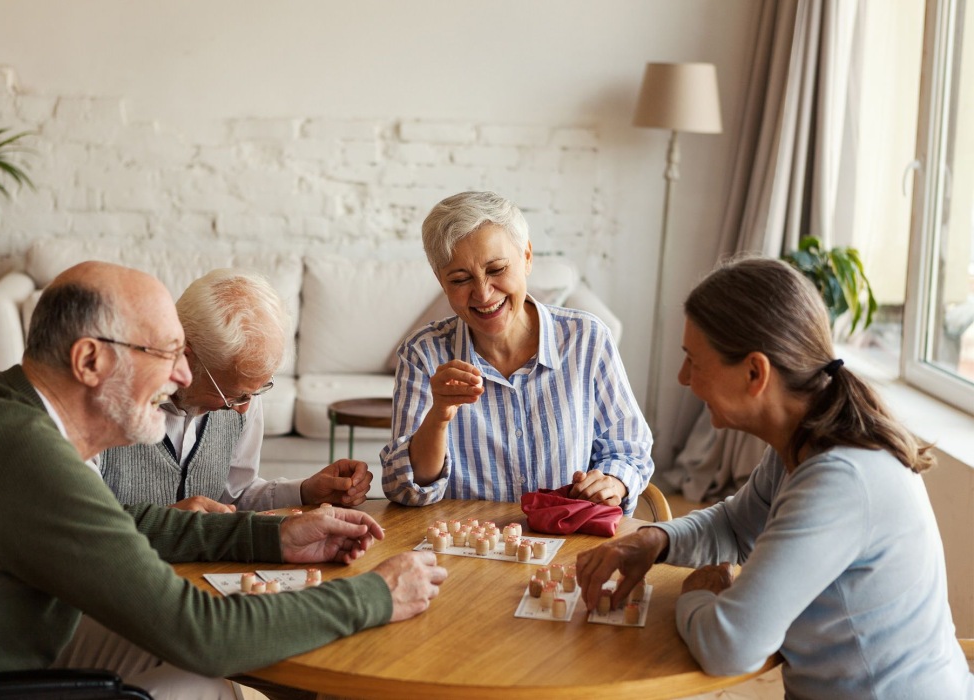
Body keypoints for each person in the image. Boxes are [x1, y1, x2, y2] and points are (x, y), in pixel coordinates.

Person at [0, 261, 447, 700]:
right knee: (199, 672)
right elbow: (200, 632)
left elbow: (115, 522)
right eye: (164, 353)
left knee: (197, 685)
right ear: (89, 360)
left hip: (9, 635)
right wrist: (374, 594)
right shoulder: (24, 452)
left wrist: (270, 535)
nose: (181, 376)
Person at [576, 257, 973, 699]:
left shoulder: (839, 480)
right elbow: (733, 525)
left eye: (694, 361)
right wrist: (655, 540)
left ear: (754, 373)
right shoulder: (803, 439)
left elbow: (731, 647)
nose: (683, 377)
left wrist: (696, 594)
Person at [381, 191, 653, 513]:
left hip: (565, 543)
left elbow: (629, 450)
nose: (483, 294)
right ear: (442, 282)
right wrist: (439, 416)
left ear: (526, 257)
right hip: (466, 551)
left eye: (496, 270)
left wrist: (612, 481)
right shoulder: (423, 353)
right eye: (460, 278)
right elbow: (404, 488)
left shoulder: (586, 339)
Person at [96, 268, 371, 514]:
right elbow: (77, 524)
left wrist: (305, 492)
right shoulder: (104, 401)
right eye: (232, 395)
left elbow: (236, 495)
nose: (243, 408)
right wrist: (170, 520)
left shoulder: (244, 392)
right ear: (185, 356)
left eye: (256, 391)